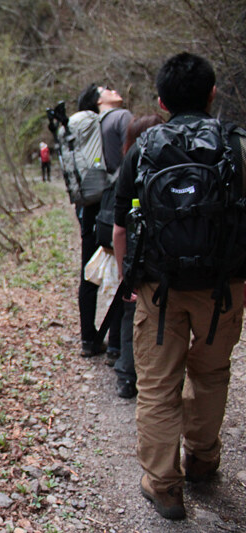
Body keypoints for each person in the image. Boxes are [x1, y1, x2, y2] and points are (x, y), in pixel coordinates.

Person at [112, 52, 246, 520]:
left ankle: (165, 487)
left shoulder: (145, 147)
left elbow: (120, 226)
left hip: (158, 289)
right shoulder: (236, 144)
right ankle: (203, 461)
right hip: (225, 288)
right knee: (211, 375)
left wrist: (127, 278)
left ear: (161, 100)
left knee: (156, 385)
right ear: (213, 93)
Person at [73, 83, 131, 357]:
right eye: (106, 88)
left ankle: (89, 338)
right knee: (123, 269)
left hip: (91, 206)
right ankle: (116, 346)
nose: (113, 89)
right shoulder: (121, 118)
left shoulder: (90, 128)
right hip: (115, 204)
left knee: (89, 270)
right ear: (98, 101)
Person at [112, 114, 164, 399]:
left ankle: (127, 376)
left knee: (131, 313)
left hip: (141, 258)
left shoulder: (134, 158)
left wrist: (123, 271)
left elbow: (120, 228)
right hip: (177, 258)